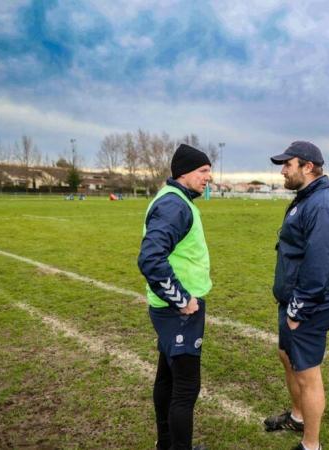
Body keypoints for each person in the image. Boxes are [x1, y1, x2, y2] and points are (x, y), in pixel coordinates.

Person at [264, 141, 329, 450]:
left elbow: (319, 265)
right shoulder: (307, 198)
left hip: (309, 306)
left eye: (288, 164)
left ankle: (311, 445)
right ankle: (297, 417)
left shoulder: (323, 206)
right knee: (287, 358)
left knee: (307, 373)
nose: (283, 170)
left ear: (308, 167)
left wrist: (297, 310)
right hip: (293, 301)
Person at [138, 143, 213, 450]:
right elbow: (150, 259)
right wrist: (182, 300)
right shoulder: (175, 205)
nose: (209, 176)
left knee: (167, 378)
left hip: (170, 309)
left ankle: (166, 444)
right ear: (184, 172)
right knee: (185, 388)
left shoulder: (177, 199)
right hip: (179, 312)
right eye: (203, 170)